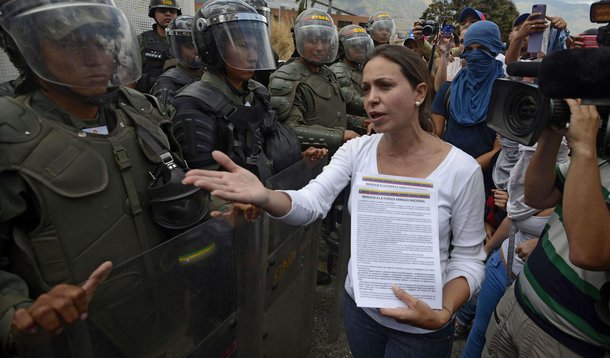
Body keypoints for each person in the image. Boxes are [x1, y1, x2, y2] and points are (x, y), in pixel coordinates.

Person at [183, 45, 487, 358]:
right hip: (361, 315)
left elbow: (468, 258)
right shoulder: (357, 152)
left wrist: (444, 311)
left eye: (385, 86)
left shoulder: (462, 170)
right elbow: (311, 202)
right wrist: (265, 195)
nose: (371, 99)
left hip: (422, 332)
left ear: (419, 92)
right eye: (366, 88)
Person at [0, 0, 207, 356]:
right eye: (72, 44)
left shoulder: (141, 110)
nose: (97, 58)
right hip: (77, 341)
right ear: (27, 49)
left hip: (169, 320)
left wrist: (222, 205)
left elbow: (175, 183)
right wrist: (14, 311)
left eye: (103, 42)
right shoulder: (11, 136)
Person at [483, 100, 610, 357]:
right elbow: (536, 196)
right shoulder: (600, 163)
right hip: (518, 304)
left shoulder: (588, 157)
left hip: (569, 338)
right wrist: (549, 135)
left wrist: (584, 148)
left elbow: (588, 252)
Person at [172, 0, 323, 213]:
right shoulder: (194, 105)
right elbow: (202, 183)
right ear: (213, 47)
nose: (253, 55)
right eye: (243, 45)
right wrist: (233, 208)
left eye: (256, 45)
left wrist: (297, 160)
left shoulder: (258, 93)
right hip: (235, 221)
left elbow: (264, 148)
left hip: (268, 206)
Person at [268, 8, 355, 154]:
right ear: (299, 40)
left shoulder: (328, 73)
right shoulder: (287, 77)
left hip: (339, 159)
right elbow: (288, 129)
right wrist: (341, 136)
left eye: (325, 41)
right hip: (309, 162)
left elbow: (333, 116)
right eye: (313, 41)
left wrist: (360, 122)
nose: (320, 47)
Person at [431, 20, 503, 189]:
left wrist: (465, 171)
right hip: (446, 177)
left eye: (482, 49)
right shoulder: (448, 90)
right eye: (469, 49)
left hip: (484, 184)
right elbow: (434, 135)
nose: (475, 54)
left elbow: (499, 150)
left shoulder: (505, 95)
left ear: (494, 50)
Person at [150, 15, 203, 109]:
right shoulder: (166, 84)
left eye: (198, 44)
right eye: (190, 46)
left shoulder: (212, 74)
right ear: (177, 48)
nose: (196, 50)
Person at [330, 24, 373, 134]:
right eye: (354, 46)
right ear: (342, 48)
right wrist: (384, 103)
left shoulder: (362, 67)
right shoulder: (339, 70)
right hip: (351, 129)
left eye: (363, 46)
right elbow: (352, 100)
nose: (360, 50)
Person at [136, 0, 181, 93]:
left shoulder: (186, 41)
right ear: (153, 14)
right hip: (149, 100)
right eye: (162, 11)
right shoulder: (141, 40)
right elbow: (129, 76)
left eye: (172, 12)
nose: (168, 14)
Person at [504, 12, 569, 65]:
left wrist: (561, 30)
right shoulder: (497, 56)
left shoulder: (539, 62)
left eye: (529, 30)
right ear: (509, 35)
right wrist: (519, 37)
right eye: (519, 29)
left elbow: (512, 65)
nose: (523, 32)